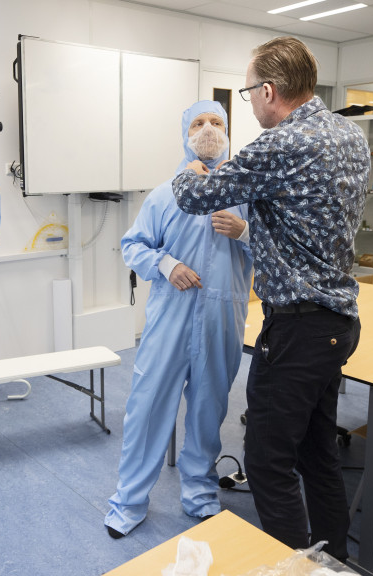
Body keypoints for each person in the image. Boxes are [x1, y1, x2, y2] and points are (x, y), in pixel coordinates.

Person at [171, 37, 370, 561]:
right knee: (317, 453)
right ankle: (332, 562)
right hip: (337, 322)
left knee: (265, 460)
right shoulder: (349, 134)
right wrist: (253, 230)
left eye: (246, 93)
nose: (248, 104)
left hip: (297, 329)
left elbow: (193, 197)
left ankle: (296, 569)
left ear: (268, 90)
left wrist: (193, 166)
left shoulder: (281, 143)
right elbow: (307, 216)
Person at [105, 100, 255, 539]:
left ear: (228, 132)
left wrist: (244, 231)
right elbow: (133, 245)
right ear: (184, 135)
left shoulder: (246, 196)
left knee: (209, 411)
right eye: (198, 123)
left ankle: (200, 494)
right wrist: (167, 265)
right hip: (170, 320)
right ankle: (129, 501)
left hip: (222, 320)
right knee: (147, 408)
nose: (208, 129)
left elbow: (272, 250)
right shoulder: (166, 194)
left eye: (216, 122)